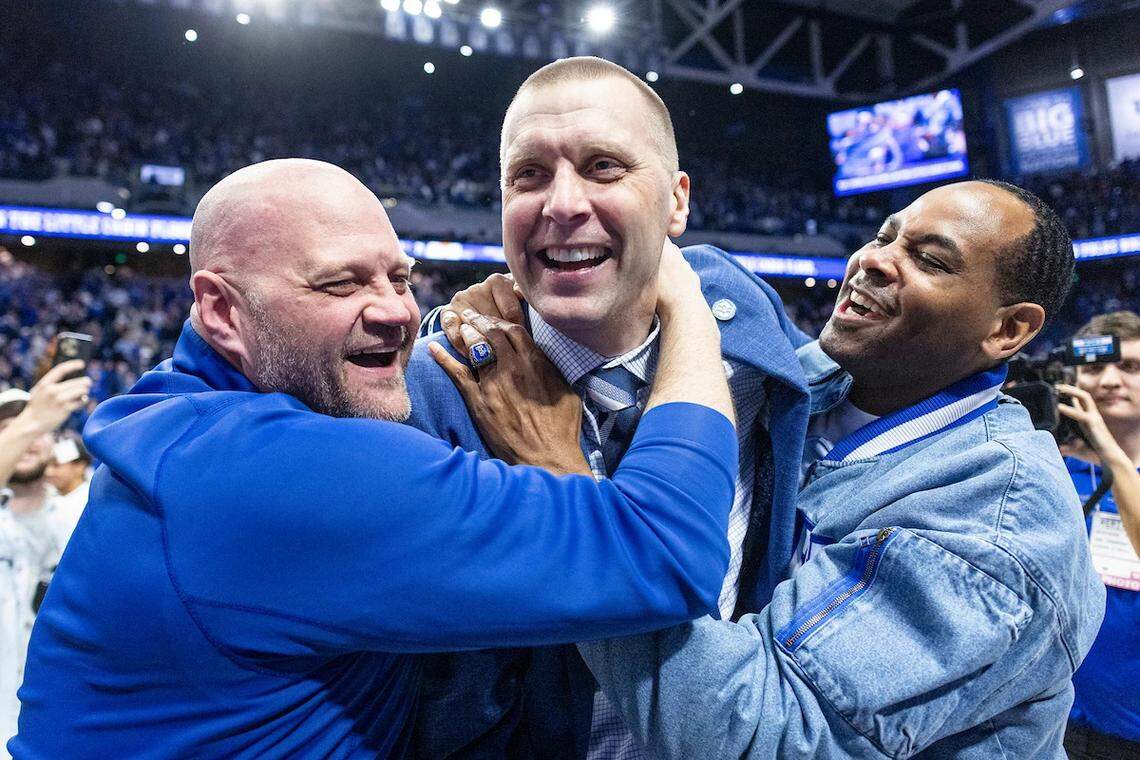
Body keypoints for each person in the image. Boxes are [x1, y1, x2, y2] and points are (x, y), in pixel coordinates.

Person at [10, 158, 742, 758]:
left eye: (398, 276)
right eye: (340, 282)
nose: (396, 310)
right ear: (222, 311)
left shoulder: (183, 420)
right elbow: (667, 550)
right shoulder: (270, 473)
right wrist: (689, 314)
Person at [454, 179, 1106, 757]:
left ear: (1008, 331)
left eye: (930, 260)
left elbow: (758, 732)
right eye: (884, 236)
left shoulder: (996, 528)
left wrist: (560, 475)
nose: (875, 260)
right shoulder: (800, 379)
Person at [406, 56, 810, 757]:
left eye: (603, 167)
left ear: (677, 201)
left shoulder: (748, 333)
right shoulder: (427, 397)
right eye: (528, 174)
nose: (561, 204)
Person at [1059, 311, 1140, 759]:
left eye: (1129, 367)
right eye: (1093, 368)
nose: (1108, 380)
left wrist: (1105, 447)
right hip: (1051, 720)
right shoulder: (1048, 465)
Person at [0, 363, 91, 757]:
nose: (27, 438)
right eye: (5, 429)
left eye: (38, 429)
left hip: (65, 734)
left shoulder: (85, 513)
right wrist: (31, 422)